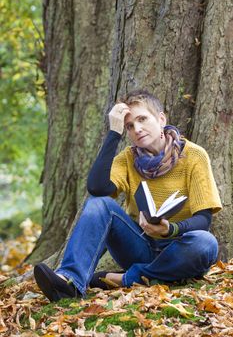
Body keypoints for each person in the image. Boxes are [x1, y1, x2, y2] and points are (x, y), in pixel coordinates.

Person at [34, 89, 222, 302]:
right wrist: (114, 133)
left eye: (142, 119)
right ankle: (70, 282)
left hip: (180, 249)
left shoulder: (194, 155)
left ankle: (128, 279)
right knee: (99, 204)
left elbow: (204, 219)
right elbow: (97, 188)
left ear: (161, 119)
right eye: (130, 126)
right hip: (139, 245)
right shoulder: (127, 159)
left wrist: (171, 228)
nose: (137, 129)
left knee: (206, 243)